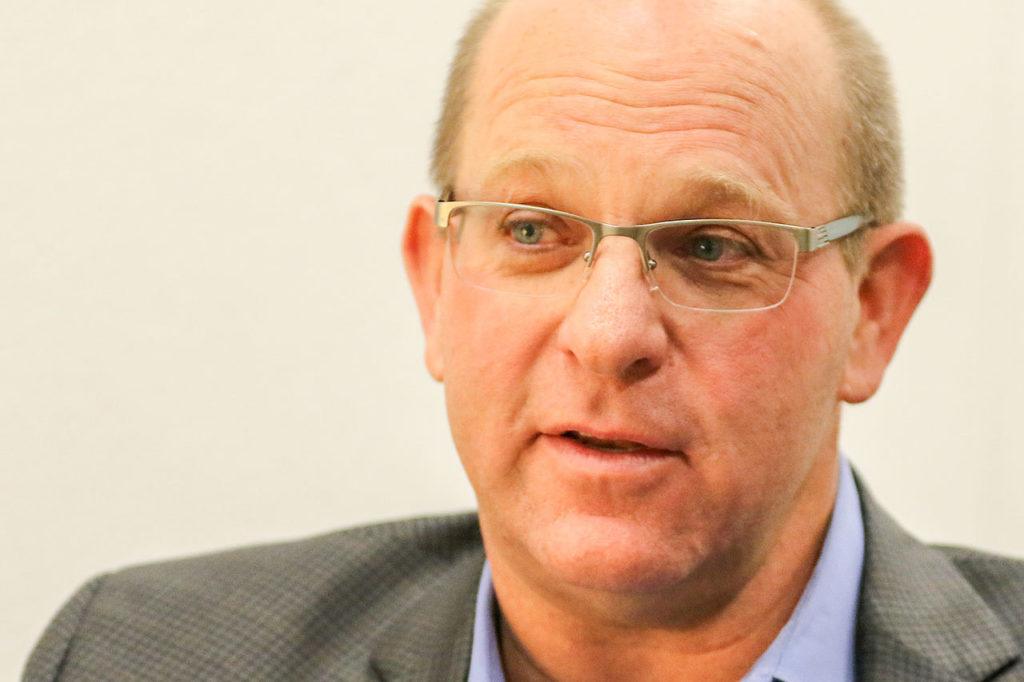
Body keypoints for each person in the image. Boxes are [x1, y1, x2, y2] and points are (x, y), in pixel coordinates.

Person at [22, 0, 1024, 680]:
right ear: (434, 279)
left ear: (874, 312)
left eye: (711, 244)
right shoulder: (135, 654)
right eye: (533, 230)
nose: (607, 334)